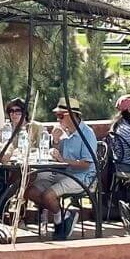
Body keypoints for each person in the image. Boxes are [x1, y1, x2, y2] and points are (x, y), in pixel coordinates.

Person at [25, 99, 99, 240]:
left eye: (60, 116)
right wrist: (56, 142)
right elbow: (58, 156)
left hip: (83, 177)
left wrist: (63, 160)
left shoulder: (87, 134)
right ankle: (63, 217)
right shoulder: (66, 133)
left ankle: (61, 221)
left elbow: (86, 164)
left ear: (72, 115)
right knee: (29, 191)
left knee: (48, 195)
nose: (57, 119)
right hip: (64, 173)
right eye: (57, 116)